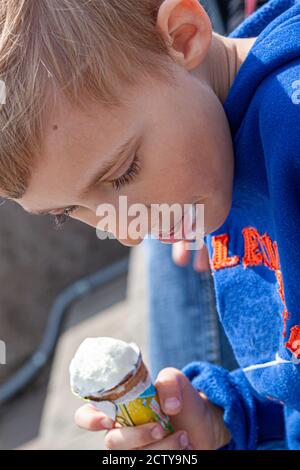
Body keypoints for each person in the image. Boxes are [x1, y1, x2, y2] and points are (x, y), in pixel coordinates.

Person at [1, 0, 300, 450]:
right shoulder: (226, 155)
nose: (126, 231)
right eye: (67, 212)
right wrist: (225, 418)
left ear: (182, 36)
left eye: (123, 172)